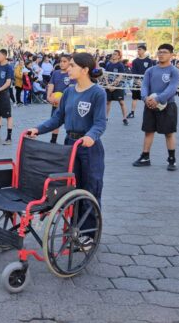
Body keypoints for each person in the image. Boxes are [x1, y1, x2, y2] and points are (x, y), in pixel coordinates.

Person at [25, 52, 106, 246]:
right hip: (70, 145)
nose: (67, 69)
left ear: (85, 69)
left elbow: (100, 123)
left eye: (71, 66)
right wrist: (38, 129)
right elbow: (57, 118)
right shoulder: (69, 92)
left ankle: (89, 234)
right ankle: (75, 231)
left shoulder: (97, 93)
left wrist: (90, 136)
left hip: (89, 147)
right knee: (71, 190)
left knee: (89, 191)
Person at [132, 44, 179, 171]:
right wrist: (145, 98)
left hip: (168, 106)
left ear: (171, 55)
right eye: (159, 52)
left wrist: (158, 99)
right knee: (148, 131)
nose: (161, 54)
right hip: (150, 105)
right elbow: (144, 86)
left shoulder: (174, 71)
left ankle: (172, 159)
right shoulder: (150, 70)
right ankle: (145, 157)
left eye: (164, 52)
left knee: (169, 133)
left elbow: (172, 89)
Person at [46, 54, 74, 143]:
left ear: (70, 63)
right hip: (55, 102)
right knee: (55, 121)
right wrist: (48, 96)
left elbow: (71, 88)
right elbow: (51, 84)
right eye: (61, 61)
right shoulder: (56, 73)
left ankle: (69, 140)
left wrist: (61, 99)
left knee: (68, 122)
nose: (62, 63)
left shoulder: (71, 74)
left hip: (67, 102)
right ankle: (53, 140)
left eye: (64, 61)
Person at [104, 50, 129, 126]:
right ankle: (106, 118)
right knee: (107, 102)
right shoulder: (108, 64)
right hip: (109, 86)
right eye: (113, 54)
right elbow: (106, 75)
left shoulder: (120, 65)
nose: (113, 55)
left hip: (117, 87)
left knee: (121, 102)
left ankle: (125, 118)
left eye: (115, 54)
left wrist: (114, 85)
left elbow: (120, 76)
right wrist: (108, 84)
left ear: (119, 56)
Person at [129, 45, 155, 118]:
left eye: (139, 49)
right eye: (137, 50)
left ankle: (149, 112)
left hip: (146, 83)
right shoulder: (135, 61)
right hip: (136, 82)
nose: (138, 51)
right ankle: (132, 113)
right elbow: (134, 72)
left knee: (146, 98)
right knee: (135, 98)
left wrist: (144, 82)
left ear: (144, 50)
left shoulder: (149, 61)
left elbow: (150, 72)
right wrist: (137, 81)